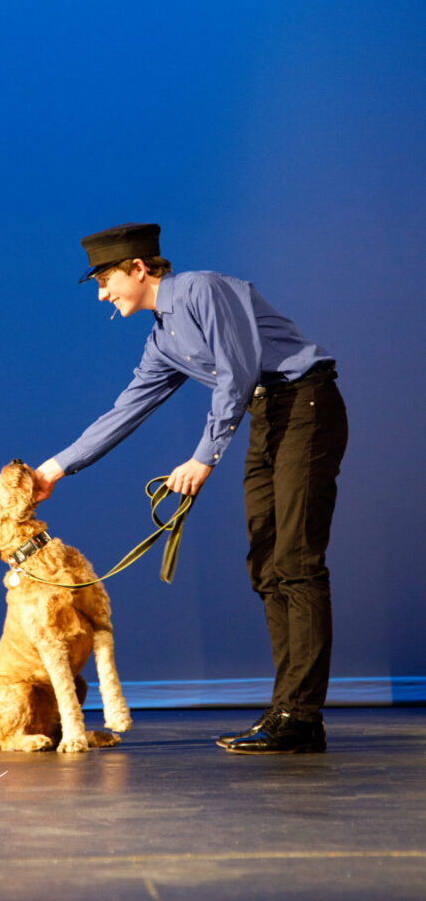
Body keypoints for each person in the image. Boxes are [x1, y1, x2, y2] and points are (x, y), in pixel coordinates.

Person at [34, 222, 348, 754]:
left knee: (296, 562)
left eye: (106, 279)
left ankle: (301, 714)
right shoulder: (163, 340)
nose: (103, 293)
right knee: (267, 563)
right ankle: (289, 711)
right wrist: (54, 469)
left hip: (307, 405)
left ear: (139, 268)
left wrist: (204, 457)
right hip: (268, 416)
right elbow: (127, 410)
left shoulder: (201, 290)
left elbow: (239, 369)